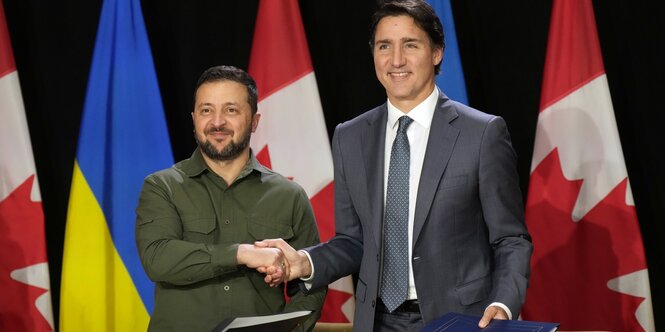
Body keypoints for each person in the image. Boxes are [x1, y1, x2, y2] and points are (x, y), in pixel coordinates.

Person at [256, 1, 532, 331]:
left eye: (410, 45)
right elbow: (353, 241)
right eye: (385, 46)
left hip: (461, 319)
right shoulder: (350, 136)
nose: (396, 60)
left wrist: (503, 303)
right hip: (376, 321)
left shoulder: (482, 133)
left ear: (437, 53)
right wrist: (304, 262)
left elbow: (510, 239)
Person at [135, 65, 326, 331]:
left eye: (231, 110)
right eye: (206, 110)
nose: (217, 122)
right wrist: (242, 253)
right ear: (194, 119)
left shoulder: (289, 195)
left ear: (254, 121)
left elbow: (310, 284)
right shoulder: (162, 186)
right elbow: (158, 260)